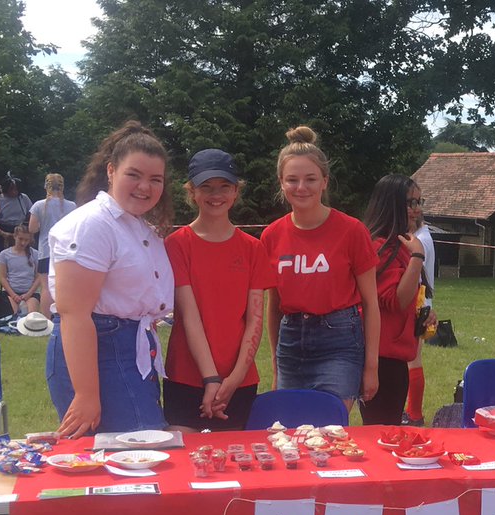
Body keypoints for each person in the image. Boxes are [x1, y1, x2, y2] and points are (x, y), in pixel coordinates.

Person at [46, 121, 176, 437]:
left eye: (155, 179)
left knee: (141, 456)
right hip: (99, 355)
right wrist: (87, 395)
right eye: (134, 174)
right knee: (136, 452)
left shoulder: (138, 227)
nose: (145, 186)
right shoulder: (91, 225)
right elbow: (74, 313)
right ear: (111, 171)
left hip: (131, 350)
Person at [262, 125, 380, 416]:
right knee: (291, 430)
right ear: (281, 183)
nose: (301, 187)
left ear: (325, 182)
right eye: (292, 180)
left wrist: (371, 367)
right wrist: (276, 365)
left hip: (339, 341)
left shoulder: (351, 231)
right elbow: (274, 308)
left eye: (310, 179)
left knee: (329, 426)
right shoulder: (272, 235)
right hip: (291, 343)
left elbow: (371, 303)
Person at [163, 149, 274, 432]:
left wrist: (233, 379)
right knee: (183, 462)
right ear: (192, 192)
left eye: (224, 187)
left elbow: (255, 320)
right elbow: (190, 316)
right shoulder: (177, 244)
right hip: (186, 375)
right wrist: (210, 378)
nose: (216, 195)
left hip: (239, 379)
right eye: (206, 187)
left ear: (236, 192)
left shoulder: (252, 247)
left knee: (234, 464)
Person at [361, 174, 426, 425]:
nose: (417, 209)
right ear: (391, 204)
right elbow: (395, 300)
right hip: (381, 358)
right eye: (410, 203)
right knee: (382, 430)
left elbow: (406, 302)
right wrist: (417, 257)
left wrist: (420, 314)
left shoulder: (400, 243)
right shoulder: (380, 245)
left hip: (395, 355)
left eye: (420, 201)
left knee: (387, 427)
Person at [403, 205, 437, 426]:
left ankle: (414, 414)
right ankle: (412, 412)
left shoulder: (420, 240)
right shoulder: (422, 235)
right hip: (421, 304)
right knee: (413, 360)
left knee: (413, 360)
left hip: (417, 305)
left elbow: (416, 277)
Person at [29, 173, 77, 316]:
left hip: (46, 249)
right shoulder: (72, 206)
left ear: (46, 186)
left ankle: (46, 319)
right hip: (66, 250)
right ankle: (63, 315)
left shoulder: (38, 205)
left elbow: (32, 228)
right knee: (63, 285)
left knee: (46, 287)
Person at [0, 224, 40, 317]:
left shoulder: (35, 254)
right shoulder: (4, 254)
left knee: (31, 316)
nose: (23, 243)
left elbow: (38, 277)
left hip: (30, 292)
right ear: (15, 236)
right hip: (11, 292)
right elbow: (3, 278)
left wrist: (28, 294)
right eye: (20, 239)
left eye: (26, 240)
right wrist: (13, 295)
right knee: (13, 316)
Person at [0, 174, 32, 248]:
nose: (14, 192)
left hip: (20, 229)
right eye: (11, 189)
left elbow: (31, 214)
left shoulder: (23, 198)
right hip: (3, 230)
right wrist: (2, 233)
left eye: (16, 190)